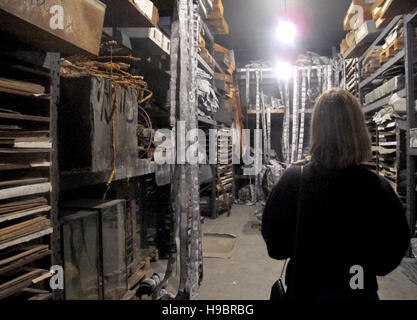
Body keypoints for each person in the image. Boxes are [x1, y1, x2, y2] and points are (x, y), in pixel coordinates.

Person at [262, 88, 411, 301]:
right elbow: (392, 252)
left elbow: (276, 248)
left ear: (317, 129)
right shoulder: (376, 187)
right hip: (358, 290)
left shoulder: (294, 180)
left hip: (305, 290)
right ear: (358, 129)